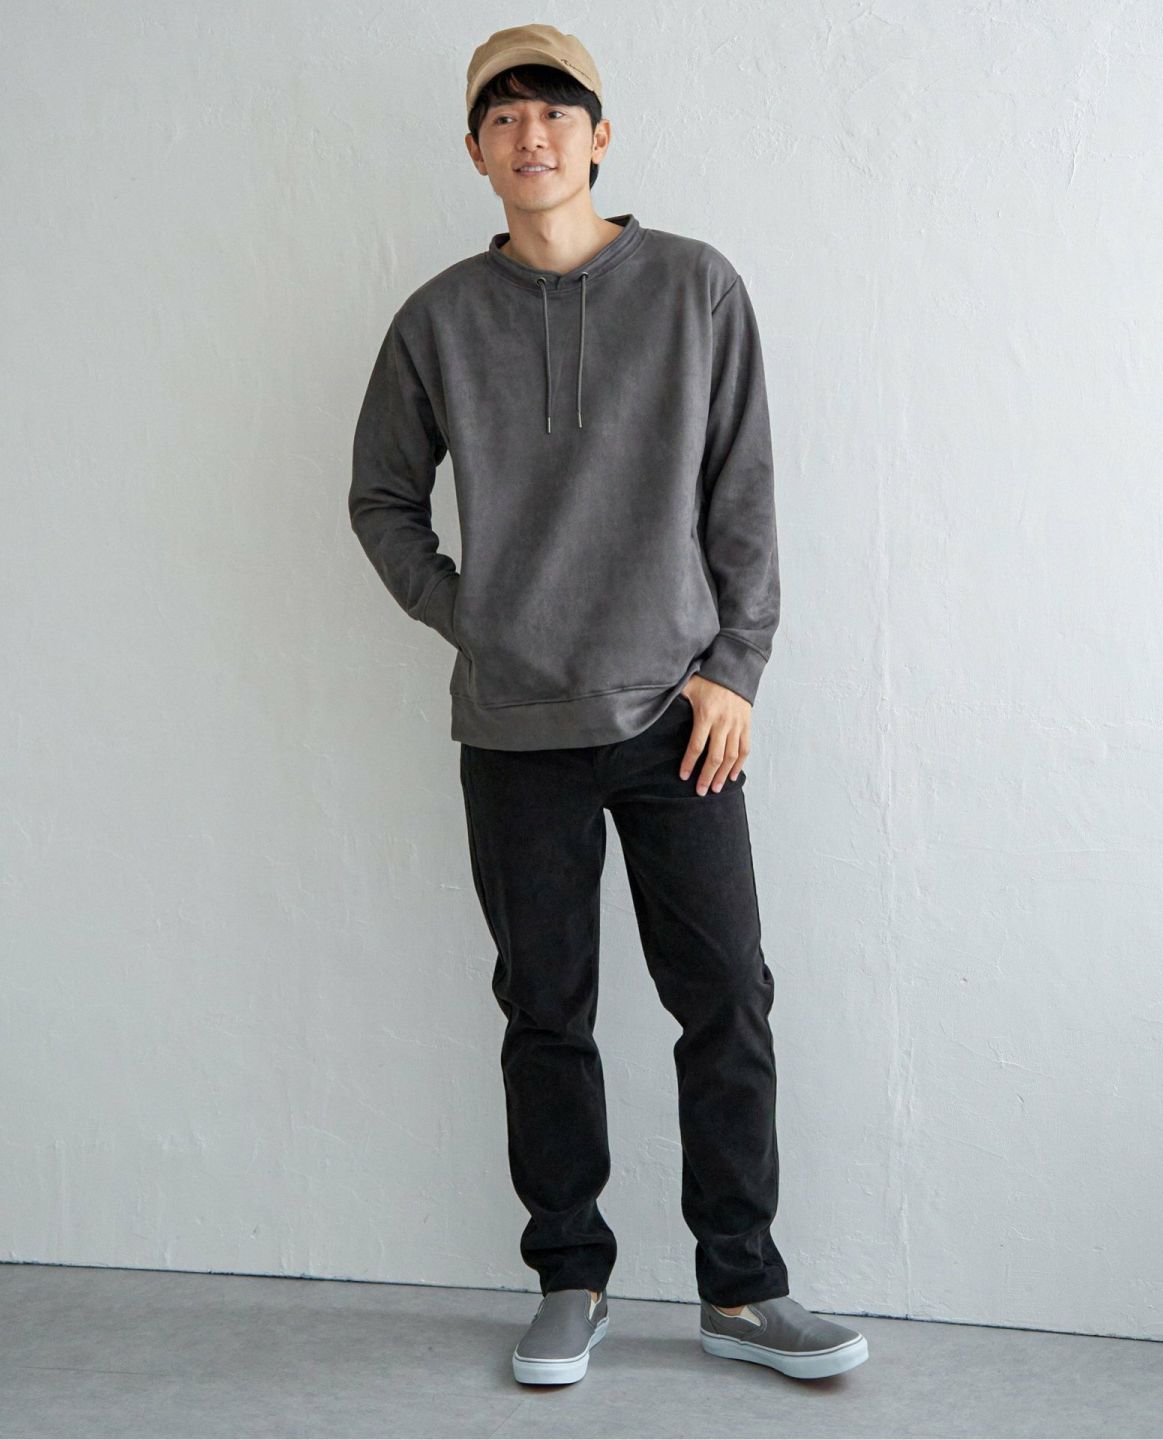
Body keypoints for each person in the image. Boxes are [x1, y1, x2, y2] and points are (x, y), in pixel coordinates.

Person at [348, 22, 869, 1387]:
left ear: (600, 134)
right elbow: (382, 499)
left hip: (680, 722)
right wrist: (474, 616)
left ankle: (743, 1289)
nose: (531, 135)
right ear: (476, 149)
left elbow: (745, 494)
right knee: (546, 1012)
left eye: (555, 111)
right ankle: (569, 1275)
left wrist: (736, 667)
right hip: (515, 729)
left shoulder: (696, 289)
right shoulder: (437, 322)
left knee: (728, 999)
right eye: (503, 117)